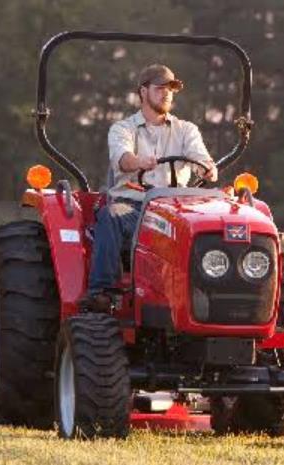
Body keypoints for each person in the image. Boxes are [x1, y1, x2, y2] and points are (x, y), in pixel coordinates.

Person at [83, 64, 218, 312]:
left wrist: (207, 169)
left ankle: (207, 299)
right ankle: (102, 293)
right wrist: (138, 162)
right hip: (134, 207)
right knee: (110, 215)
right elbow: (122, 159)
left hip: (175, 208)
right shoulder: (123, 129)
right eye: (160, 88)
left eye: (171, 89)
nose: (166, 93)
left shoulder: (186, 130)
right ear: (143, 92)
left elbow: (201, 158)